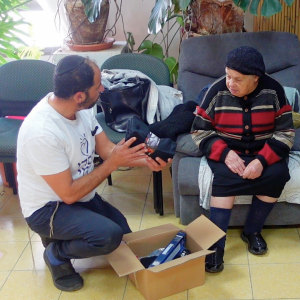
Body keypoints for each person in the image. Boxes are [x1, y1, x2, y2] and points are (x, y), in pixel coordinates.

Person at [17, 55, 172, 291]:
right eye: (98, 85)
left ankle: (63, 237)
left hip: (78, 195)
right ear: (80, 96)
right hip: (47, 209)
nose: (103, 88)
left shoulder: (82, 110)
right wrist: (111, 165)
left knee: (122, 232)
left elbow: (108, 150)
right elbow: (68, 194)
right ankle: (55, 253)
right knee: (107, 237)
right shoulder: (42, 132)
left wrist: (147, 162)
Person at [191, 46, 295, 273]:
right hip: (227, 150)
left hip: (263, 149)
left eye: (237, 79)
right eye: (228, 75)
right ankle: (216, 246)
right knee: (225, 179)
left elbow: (285, 132)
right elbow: (199, 131)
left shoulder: (275, 91)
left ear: (256, 79)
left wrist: (262, 161)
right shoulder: (216, 91)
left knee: (277, 174)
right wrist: (225, 154)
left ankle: (252, 231)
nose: (230, 83)